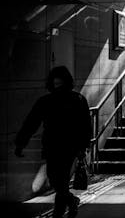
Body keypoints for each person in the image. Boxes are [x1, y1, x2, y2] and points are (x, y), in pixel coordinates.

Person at [15, 66, 91, 218]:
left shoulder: (72, 100)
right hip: (54, 147)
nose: (57, 86)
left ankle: (59, 211)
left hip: (67, 147)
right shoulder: (70, 100)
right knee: (56, 180)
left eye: (59, 83)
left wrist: (83, 147)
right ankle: (71, 201)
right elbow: (31, 123)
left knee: (60, 180)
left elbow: (84, 126)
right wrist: (21, 142)